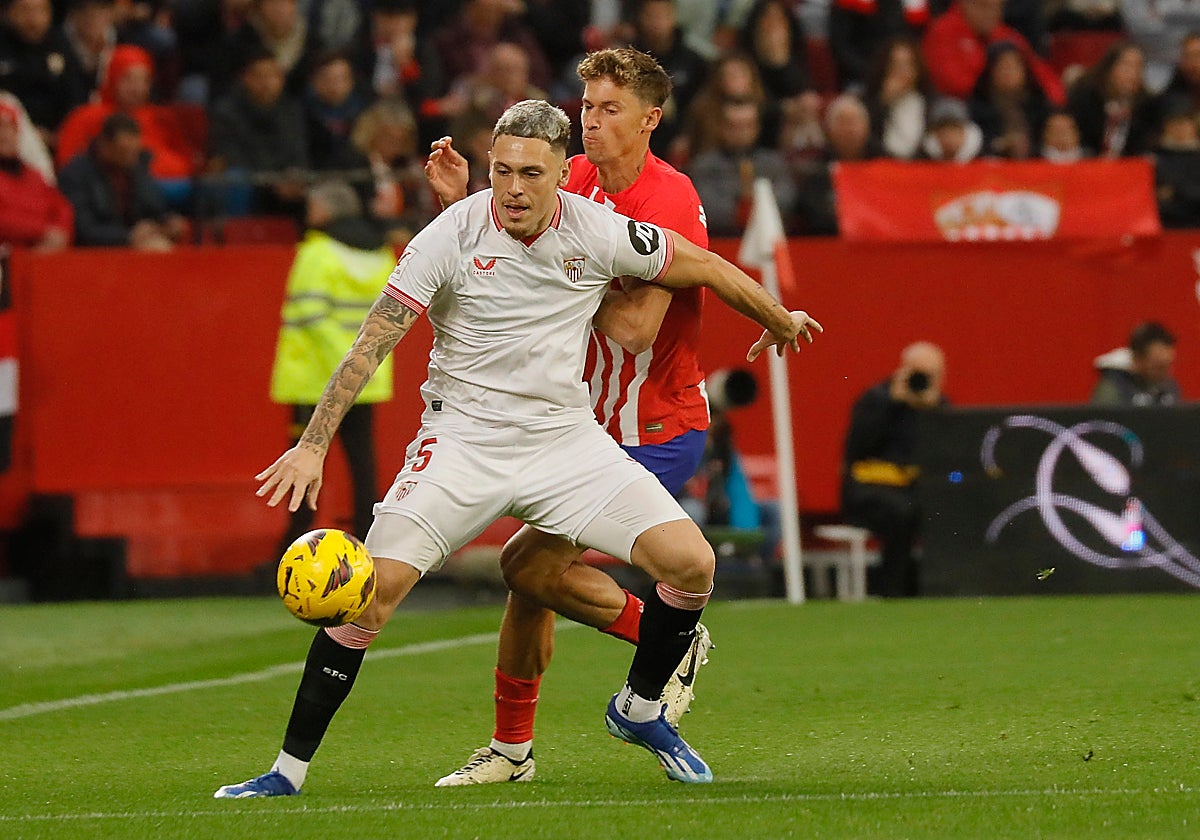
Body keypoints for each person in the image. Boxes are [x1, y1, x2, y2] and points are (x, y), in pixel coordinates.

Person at [213, 97, 821, 798]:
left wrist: (777, 317)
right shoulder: (451, 233)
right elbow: (371, 343)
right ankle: (285, 773)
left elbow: (701, 265)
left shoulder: (598, 229)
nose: (513, 188)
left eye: (531, 173)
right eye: (501, 171)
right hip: (460, 444)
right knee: (368, 600)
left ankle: (640, 707)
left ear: (565, 172)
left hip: (565, 443)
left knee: (693, 566)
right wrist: (313, 446)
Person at [424, 46, 718, 787]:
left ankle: (664, 638)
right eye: (586, 106)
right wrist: (464, 206)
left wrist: (556, 275)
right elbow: (496, 249)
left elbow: (633, 331)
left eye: (608, 108)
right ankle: (512, 751)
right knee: (530, 582)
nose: (589, 121)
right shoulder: (571, 177)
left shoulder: (669, 198)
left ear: (650, 119)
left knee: (528, 568)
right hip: (577, 423)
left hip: (651, 424)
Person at [267, 180, 396, 558]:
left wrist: (340, 363)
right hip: (366, 377)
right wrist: (358, 363)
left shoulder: (317, 253)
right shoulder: (380, 253)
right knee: (363, 466)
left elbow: (307, 313)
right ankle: (369, 547)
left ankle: (293, 548)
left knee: (303, 461)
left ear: (324, 211)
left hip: (315, 379)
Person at [840, 341, 946, 598]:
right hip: (870, 490)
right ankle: (893, 589)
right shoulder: (876, 399)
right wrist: (893, 403)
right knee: (901, 511)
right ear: (904, 370)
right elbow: (857, 449)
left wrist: (935, 412)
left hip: (915, 490)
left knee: (942, 509)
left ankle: (942, 586)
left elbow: (950, 451)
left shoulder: (938, 405)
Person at [58, 112, 186, 249]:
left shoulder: (137, 169)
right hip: (96, 254)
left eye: (135, 151)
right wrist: (127, 236)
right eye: (124, 151)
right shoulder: (76, 175)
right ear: (104, 146)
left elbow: (154, 207)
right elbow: (83, 230)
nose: (131, 158)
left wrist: (167, 222)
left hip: (135, 243)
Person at [0, 96, 72, 250]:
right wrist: (42, 232)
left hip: (44, 256)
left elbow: (62, 208)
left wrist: (59, 233)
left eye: (9, 127)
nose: (4, 134)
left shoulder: (34, 176)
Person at [1090, 321, 1181, 407]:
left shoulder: (1169, 388)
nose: (1165, 373)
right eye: (1158, 367)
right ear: (1137, 360)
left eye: (1168, 366)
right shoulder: (1112, 390)